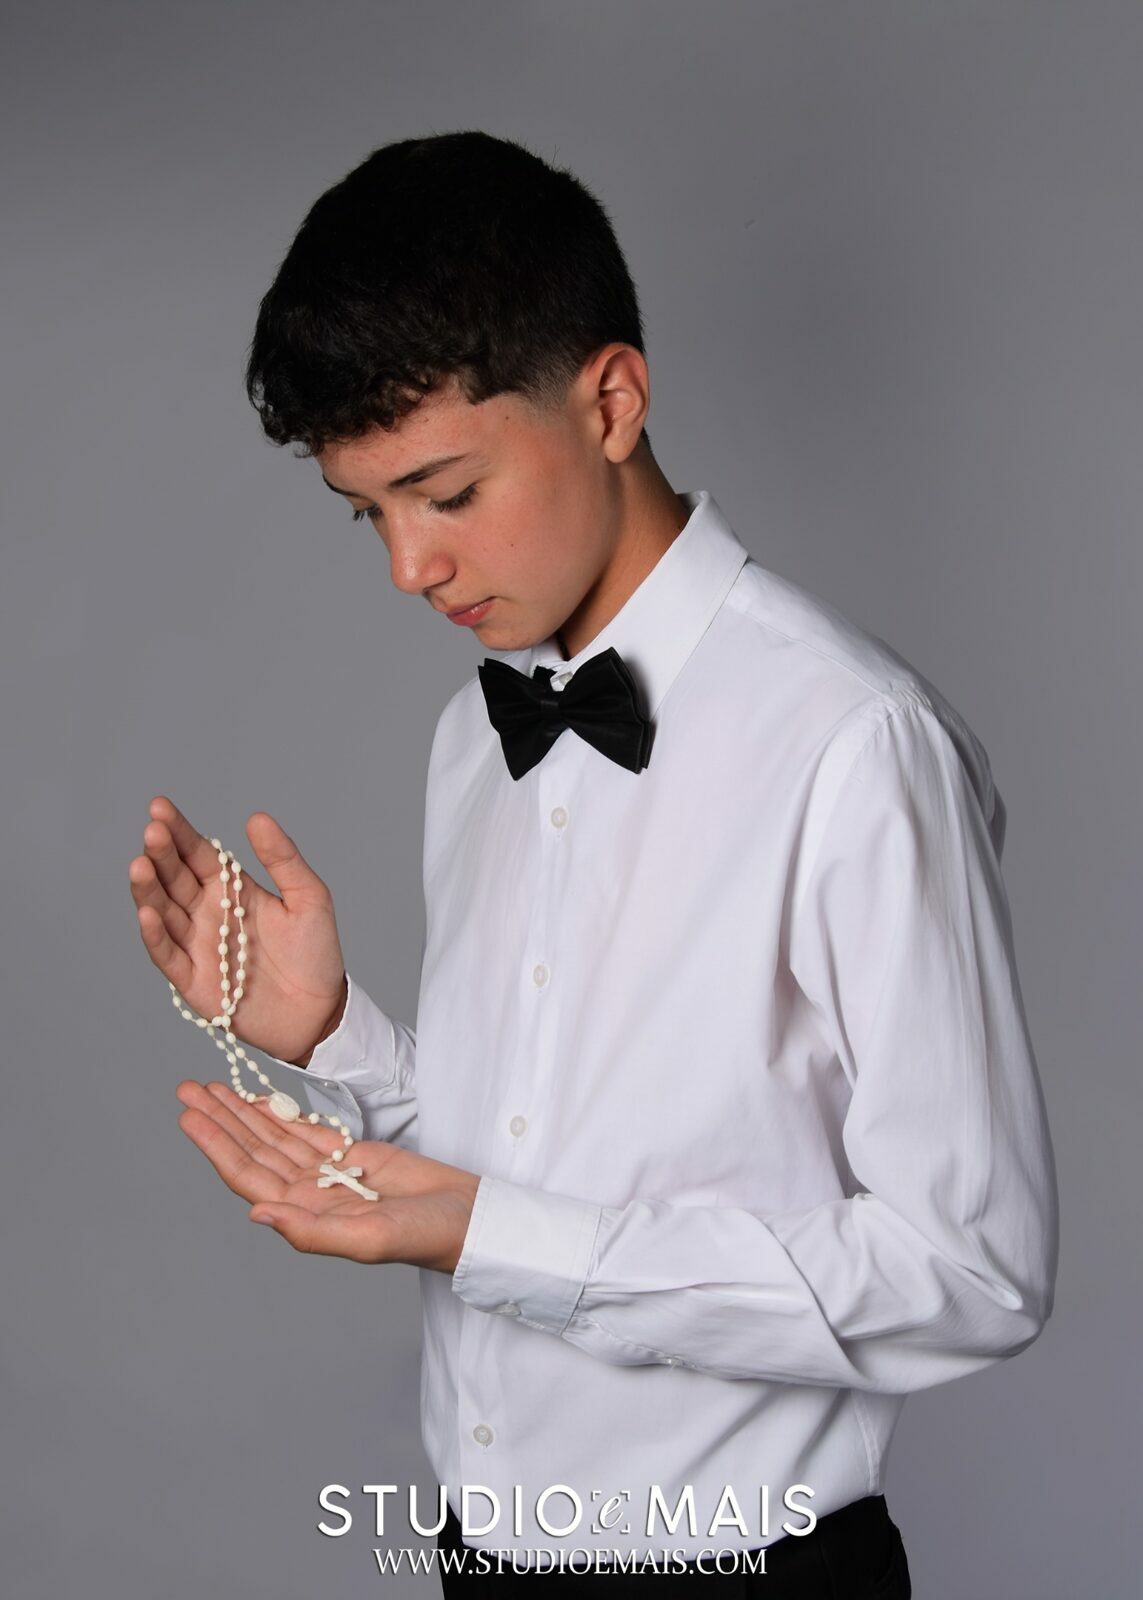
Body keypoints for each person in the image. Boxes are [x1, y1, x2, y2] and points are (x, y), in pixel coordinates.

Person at [129, 131, 1058, 1596]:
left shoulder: (852, 740)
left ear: (612, 401)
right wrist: (332, 1037)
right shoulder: (472, 736)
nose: (408, 569)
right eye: (369, 515)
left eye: (445, 493)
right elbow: (529, 1161)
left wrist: (506, 1242)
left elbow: (971, 1271)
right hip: (480, 1556)